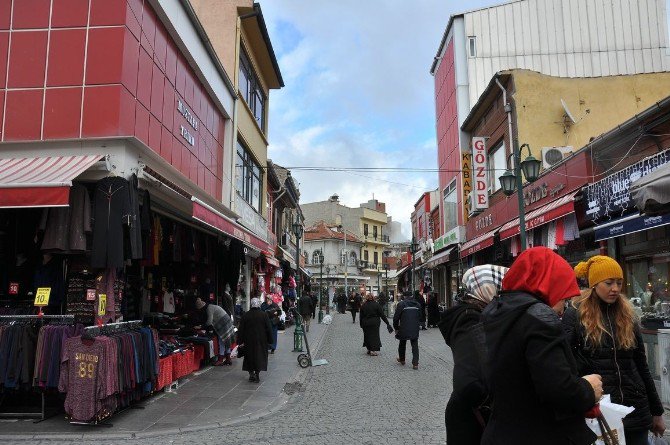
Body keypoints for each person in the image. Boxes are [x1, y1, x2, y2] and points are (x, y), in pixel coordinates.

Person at [481, 247, 602, 445]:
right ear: (547, 285)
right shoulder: (540, 317)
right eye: (562, 296)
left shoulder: (498, 311)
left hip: (503, 432)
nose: (564, 305)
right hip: (541, 433)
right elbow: (558, 388)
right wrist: (589, 388)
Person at [564, 255, 665, 444]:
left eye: (619, 283)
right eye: (609, 283)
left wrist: (657, 411)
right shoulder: (575, 315)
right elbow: (567, 364)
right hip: (599, 412)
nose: (616, 289)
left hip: (636, 410)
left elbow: (642, 365)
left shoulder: (627, 315)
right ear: (594, 284)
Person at [439, 265, 508, 445]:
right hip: (470, 421)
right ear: (488, 288)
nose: (502, 296)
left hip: (469, 415)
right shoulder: (470, 318)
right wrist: (491, 404)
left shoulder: (477, 314)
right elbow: (467, 381)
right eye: (500, 289)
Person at [237, 297, 273, 383]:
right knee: (259, 356)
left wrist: (240, 341)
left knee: (249, 357)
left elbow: (241, 329)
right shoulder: (264, 315)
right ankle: (257, 374)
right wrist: (270, 340)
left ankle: (251, 374)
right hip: (261, 340)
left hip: (248, 340)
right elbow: (269, 328)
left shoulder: (246, 315)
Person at [194, 297, 235, 366]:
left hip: (223, 324)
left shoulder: (209, 309)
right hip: (227, 322)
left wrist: (201, 327)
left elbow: (209, 322)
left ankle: (220, 360)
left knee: (221, 341)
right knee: (226, 341)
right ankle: (228, 359)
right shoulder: (211, 306)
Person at [393, 291, 421, 369]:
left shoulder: (401, 304)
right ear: (412, 296)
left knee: (402, 342)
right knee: (415, 344)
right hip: (415, 327)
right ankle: (415, 363)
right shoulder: (418, 304)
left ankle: (402, 359)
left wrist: (396, 328)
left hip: (404, 327)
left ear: (404, 297)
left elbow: (396, 318)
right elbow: (420, 316)